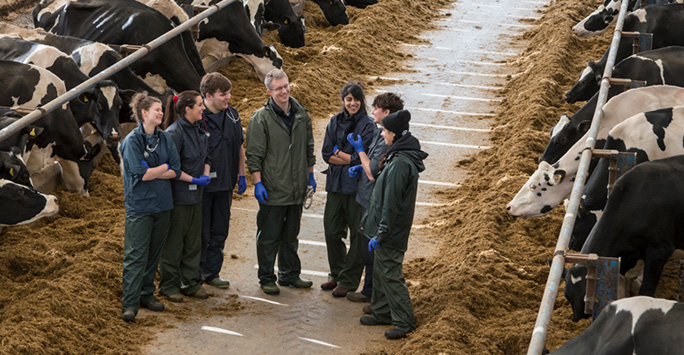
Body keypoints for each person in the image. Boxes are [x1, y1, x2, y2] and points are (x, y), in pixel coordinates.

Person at [246, 69, 316, 295]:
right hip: (273, 187)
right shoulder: (261, 118)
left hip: (297, 187)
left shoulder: (301, 114)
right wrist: (258, 183)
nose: (284, 91)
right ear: (269, 91)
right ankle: (266, 277)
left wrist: (310, 174)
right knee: (268, 235)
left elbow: (309, 147)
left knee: (291, 234)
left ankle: (289, 274)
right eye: (279, 88)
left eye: (286, 86)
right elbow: (254, 155)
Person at [359, 109, 427, 340]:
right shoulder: (397, 156)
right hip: (383, 229)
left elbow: (391, 205)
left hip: (390, 232)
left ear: (395, 134)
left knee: (390, 273)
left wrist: (381, 233)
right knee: (380, 270)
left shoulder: (399, 164)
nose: (382, 135)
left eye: (385, 131)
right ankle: (382, 311)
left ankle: (405, 321)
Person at [119, 92, 181, 323]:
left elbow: (175, 169)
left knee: (153, 254)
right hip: (140, 207)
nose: (161, 113)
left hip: (163, 205)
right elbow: (140, 174)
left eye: (162, 110)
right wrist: (160, 169)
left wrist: (158, 169)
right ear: (144, 113)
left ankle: (146, 294)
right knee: (136, 255)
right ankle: (130, 303)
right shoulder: (131, 141)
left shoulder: (164, 138)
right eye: (157, 109)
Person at [344, 92, 404, 303]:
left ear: (386, 112)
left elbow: (373, 172)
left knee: (372, 250)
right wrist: (359, 168)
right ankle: (371, 291)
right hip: (368, 197)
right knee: (367, 248)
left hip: (374, 202)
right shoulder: (383, 133)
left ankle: (372, 293)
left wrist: (360, 152)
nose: (372, 112)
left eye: (376, 108)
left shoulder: (388, 138)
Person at [320, 82, 376, 297]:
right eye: (348, 99)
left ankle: (349, 279)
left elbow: (362, 159)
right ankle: (337, 273)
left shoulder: (367, 125)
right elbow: (327, 154)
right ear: (343, 100)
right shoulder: (334, 121)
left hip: (357, 189)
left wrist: (342, 155)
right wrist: (350, 157)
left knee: (357, 235)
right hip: (335, 185)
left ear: (362, 101)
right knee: (332, 230)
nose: (352, 103)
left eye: (356, 99)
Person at [158, 91, 212, 303]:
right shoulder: (174, 133)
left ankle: (190, 282)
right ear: (187, 109)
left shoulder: (199, 130)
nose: (203, 108)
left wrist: (206, 175)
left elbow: (208, 155)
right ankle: (169, 285)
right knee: (174, 243)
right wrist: (194, 180)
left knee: (193, 241)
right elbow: (172, 168)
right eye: (199, 104)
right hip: (178, 197)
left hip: (196, 196)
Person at [199, 73, 247, 289]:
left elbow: (239, 146)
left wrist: (243, 175)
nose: (228, 97)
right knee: (200, 232)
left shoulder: (233, 115)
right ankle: (196, 275)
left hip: (226, 183)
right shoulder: (197, 118)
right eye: (223, 94)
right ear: (208, 96)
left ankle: (212, 272)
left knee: (220, 230)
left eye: (229, 93)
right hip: (201, 187)